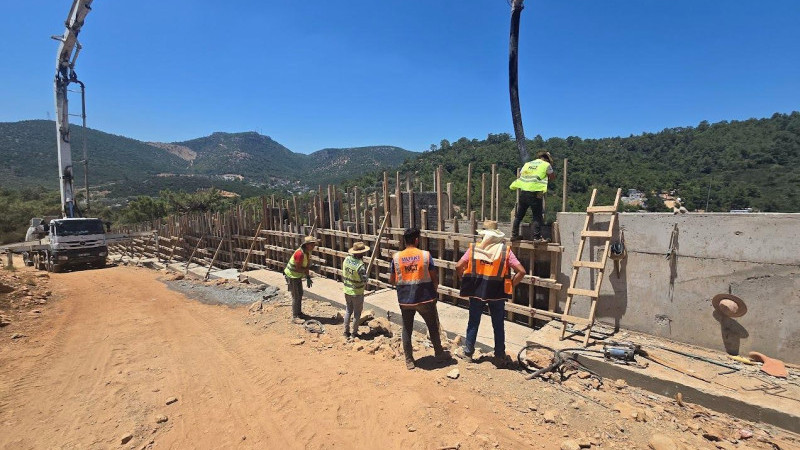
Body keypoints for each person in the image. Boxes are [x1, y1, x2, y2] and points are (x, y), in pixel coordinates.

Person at [456, 220, 526, 365]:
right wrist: (510, 285)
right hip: (497, 293)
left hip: (477, 292)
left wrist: (465, 280)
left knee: (473, 322)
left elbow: (459, 266)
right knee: (498, 324)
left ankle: (468, 353)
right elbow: (521, 271)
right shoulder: (505, 251)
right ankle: (499, 355)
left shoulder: (474, 249)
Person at [389, 228, 446, 370]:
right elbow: (434, 278)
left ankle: (409, 360)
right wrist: (434, 294)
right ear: (416, 240)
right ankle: (439, 354)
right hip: (425, 298)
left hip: (405, 300)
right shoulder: (425, 255)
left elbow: (392, 280)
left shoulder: (396, 258)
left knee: (407, 329)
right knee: (432, 326)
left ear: (404, 240)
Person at [509, 151, 556, 241]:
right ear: (547, 159)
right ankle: (536, 238)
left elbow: (520, 175)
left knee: (519, 216)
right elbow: (552, 177)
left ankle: (514, 235)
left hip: (523, 192)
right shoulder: (546, 165)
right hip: (535, 193)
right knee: (537, 216)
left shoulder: (528, 164)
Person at [284, 236, 317, 319]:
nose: (314, 246)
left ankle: (299, 313)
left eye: (314, 245)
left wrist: (308, 276)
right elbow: (298, 268)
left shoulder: (308, 252)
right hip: (292, 275)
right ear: (307, 245)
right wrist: (309, 270)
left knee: (300, 294)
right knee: (296, 296)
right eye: (312, 245)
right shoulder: (300, 254)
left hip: (297, 275)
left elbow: (306, 265)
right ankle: (295, 316)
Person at [342, 241, 370, 339]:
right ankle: (354, 333)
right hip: (357, 292)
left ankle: (346, 332)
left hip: (347, 290)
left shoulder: (346, 259)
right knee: (357, 313)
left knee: (348, 311)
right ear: (361, 253)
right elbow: (364, 279)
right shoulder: (360, 265)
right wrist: (367, 277)